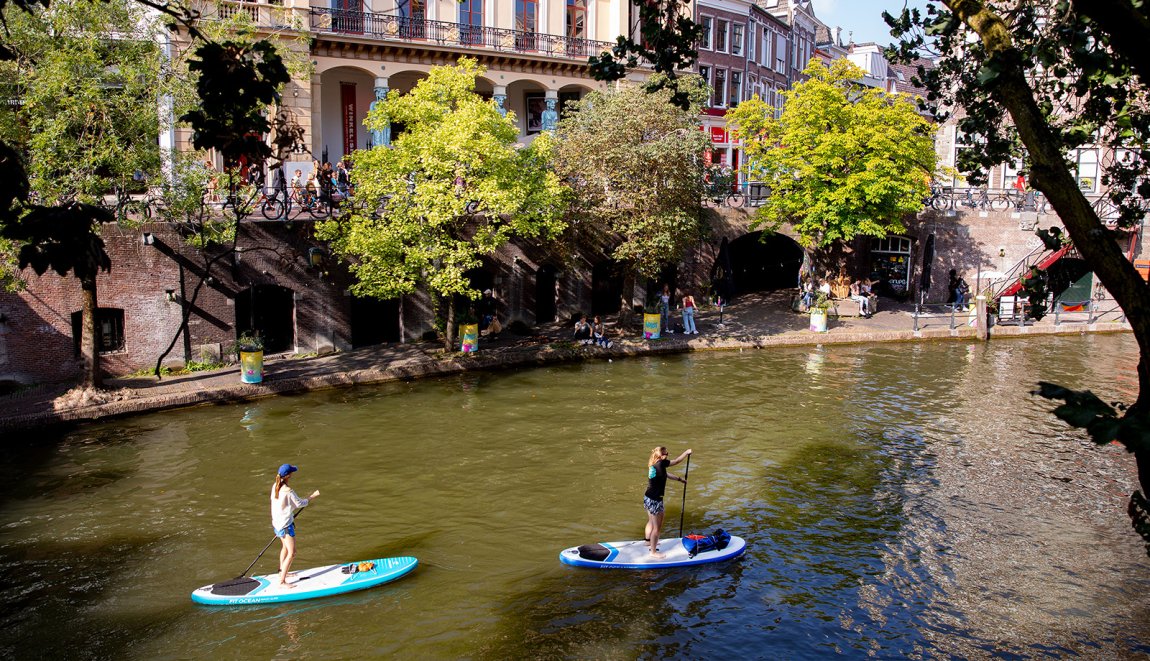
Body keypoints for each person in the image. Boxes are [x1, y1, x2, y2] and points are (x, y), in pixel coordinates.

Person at [270, 464, 319, 588]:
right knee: (292, 552)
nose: (292, 474)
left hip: (277, 523)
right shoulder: (288, 491)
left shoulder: (275, 486)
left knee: (284, 548)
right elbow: (300, 503)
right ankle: (282, 582)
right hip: (285, 525)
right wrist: (312, 497)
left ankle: (282, 572)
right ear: (287, 476)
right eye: (291, 473)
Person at [644, 446, 691, 559]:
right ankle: (653, 552)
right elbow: (677, 461)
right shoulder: (661, 463)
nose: (667, 456)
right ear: (661, 456)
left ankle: (647, 541)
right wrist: (686, 452)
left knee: (650, 521)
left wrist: (680, 480)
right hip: (656, 500)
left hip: (648, 497)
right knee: (657, 528)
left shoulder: (654, 464)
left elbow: (666, 475)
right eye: (666, 454)